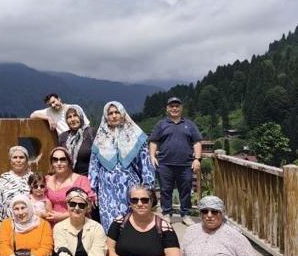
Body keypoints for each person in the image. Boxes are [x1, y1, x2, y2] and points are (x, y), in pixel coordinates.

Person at [89, 101, 156, 231]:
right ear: (106, 117)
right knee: (110, 223)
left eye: (117, 112)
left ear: (123, 114)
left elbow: (145, 163)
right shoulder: (100, 138)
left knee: (132, 221)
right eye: (110, 113)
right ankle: (112, 250)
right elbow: (93, 166)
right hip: (106, 191)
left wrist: (148, 188)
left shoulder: (135, 136)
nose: (114, 116)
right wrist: (92, 189)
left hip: (130, 188)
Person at [148, 97, 203, 225]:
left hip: (186, 165)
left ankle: (185, 215)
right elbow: (153, 141)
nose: (174, 108)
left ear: (181, 108)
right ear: (167, 109)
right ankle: (167, 214)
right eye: (171, 106)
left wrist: (197, 159)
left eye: (177, 106)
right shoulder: (161, 124)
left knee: (186, 191)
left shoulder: (189, 124)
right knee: (165, 190)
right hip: (165, 164)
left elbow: (197, 142)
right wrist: (152, 156)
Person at [44, 147, 95, 226]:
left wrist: (62, 216)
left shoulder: (81, 180)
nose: (59, 163)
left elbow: (88, 206)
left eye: (62, 159)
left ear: (69, 162)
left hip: (75, 223)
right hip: (51, 224)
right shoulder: (46, 180)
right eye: (55, 160)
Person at [0, 145, 33, 231]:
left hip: (31, 225)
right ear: (10, 160)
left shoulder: (33, 177)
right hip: (9, 227)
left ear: (27, 160)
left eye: (21, 157)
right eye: (15, 157)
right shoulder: (3, 178)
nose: (18, 160)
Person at [57, 106, 96, 175]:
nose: (72, 119)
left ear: (80, 117)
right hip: (69, 179)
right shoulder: (62, 137)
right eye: (69, 117)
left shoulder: (91, 132)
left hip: (88, 179)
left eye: (75, 115)